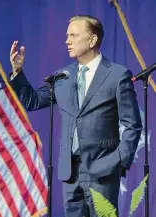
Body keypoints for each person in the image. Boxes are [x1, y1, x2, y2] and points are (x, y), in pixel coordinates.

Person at [10, 15, 142, 217]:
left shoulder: (117, 75)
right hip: (70, 173)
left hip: (103, 171)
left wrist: (118, 161)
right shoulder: (63, 76)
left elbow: (132, 125)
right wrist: (17, 72)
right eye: (67, 35)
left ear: (92, 40)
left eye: (73, 35)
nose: (67, 40)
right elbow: (33, 101)